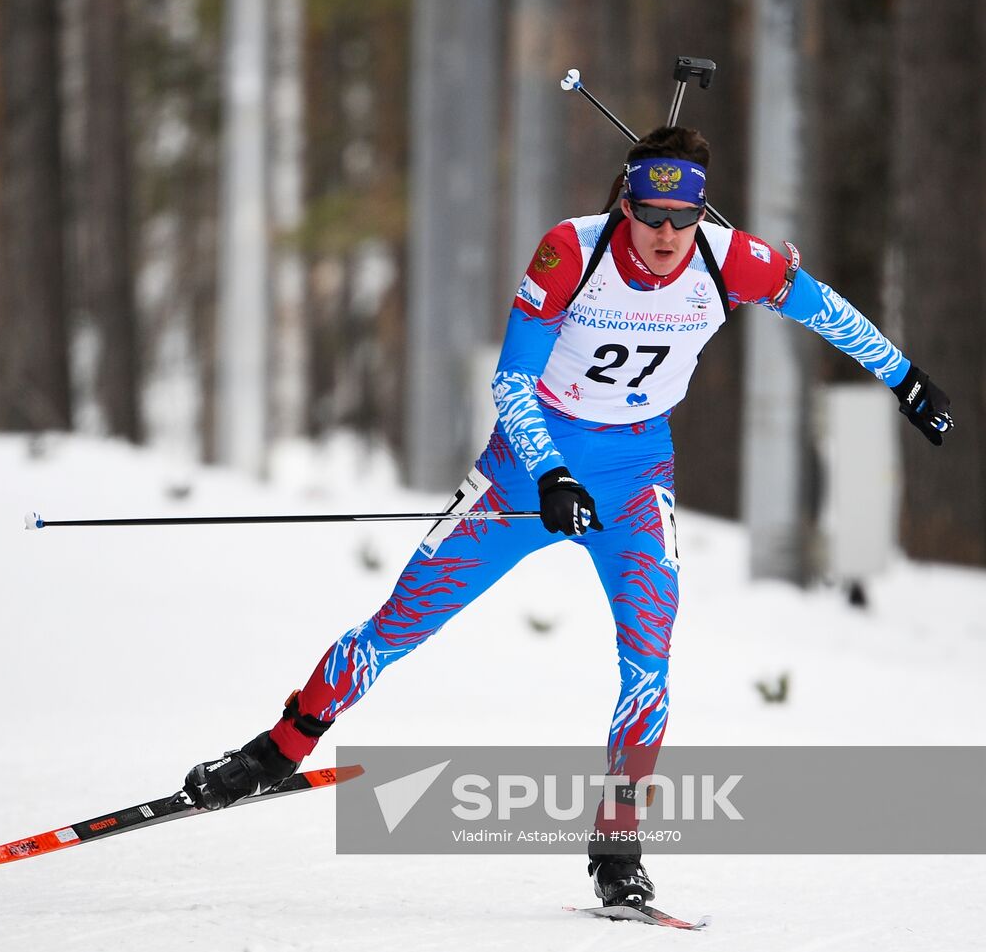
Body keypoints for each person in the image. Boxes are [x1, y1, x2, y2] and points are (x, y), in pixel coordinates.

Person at [182, 126, 955, 907]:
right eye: (650, 214)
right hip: (527, 467)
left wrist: (905, 377)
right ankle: (274, 750)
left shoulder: (731, 260)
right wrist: (549, 472)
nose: (664, 235)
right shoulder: (571, 252)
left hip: (634, 479)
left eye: (681, 218)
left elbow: (823, 308)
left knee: (649, 662)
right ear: (625, 202)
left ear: (699, 214)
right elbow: (513, 381)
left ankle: (618, 847)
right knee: (399, 625)